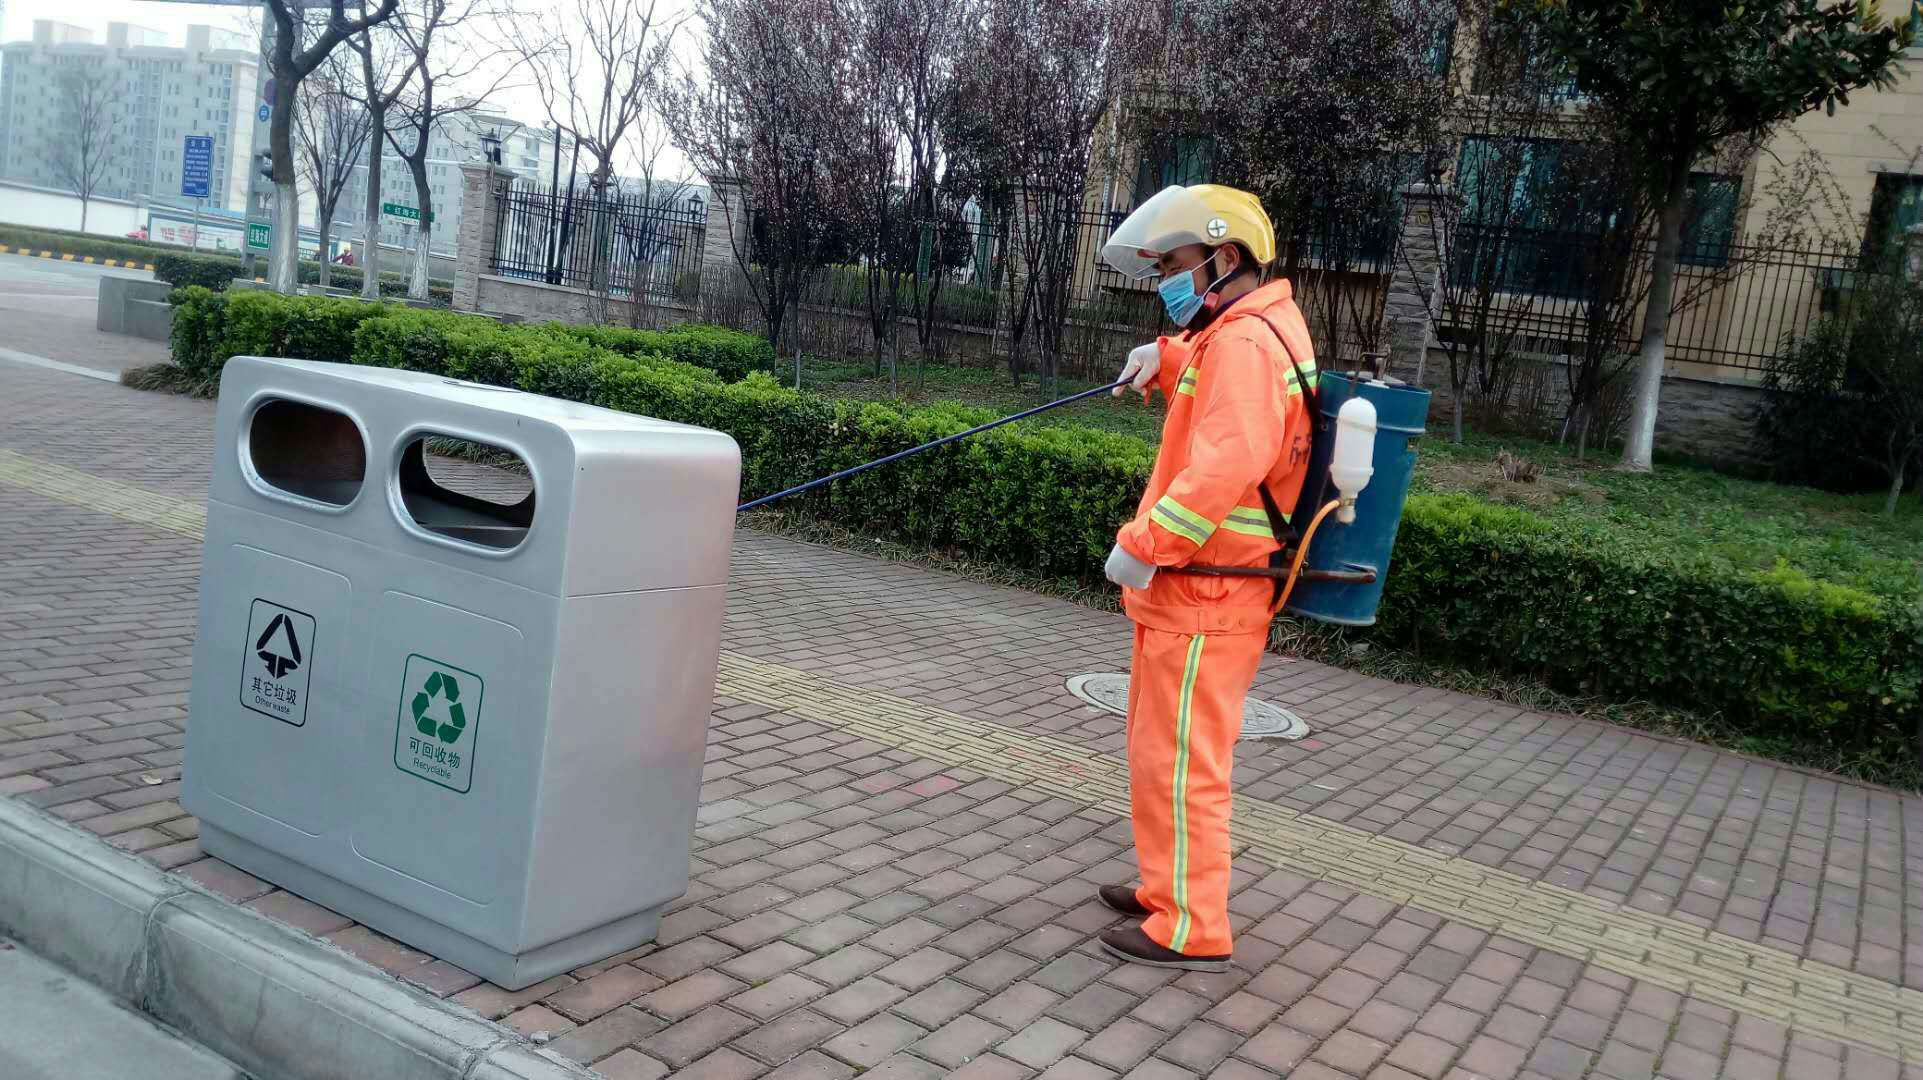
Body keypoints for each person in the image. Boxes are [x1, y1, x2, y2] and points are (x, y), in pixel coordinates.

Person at [1093, 184, 1319, 972]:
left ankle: (1191, 924)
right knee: (1159, 754)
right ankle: (1166, 889)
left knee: (1184, 764)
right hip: (1198, 592)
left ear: (1223, 258)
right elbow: (1218, 384)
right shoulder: (1244, 329)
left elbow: (1229, 460)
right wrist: (1164, 357)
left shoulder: (1246, 342)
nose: (1164, 281)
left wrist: (1145, 541)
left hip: (1207, 590)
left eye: (1171, 266)